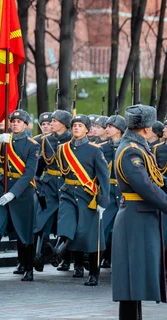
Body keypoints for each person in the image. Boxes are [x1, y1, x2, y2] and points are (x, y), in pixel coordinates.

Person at [112, 104, 167, 319]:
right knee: (130, 281)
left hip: (141, 217)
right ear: (146, 129)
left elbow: (158, 180)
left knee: (135, 280)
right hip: (135, 219)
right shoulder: (130, 152)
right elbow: (147, 188)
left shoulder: (137, 147)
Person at [52, 114, 110, 286]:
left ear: (87, 129)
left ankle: (94, 273)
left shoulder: (95, 150)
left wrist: (103, 201)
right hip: (68, 193)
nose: (76, 128)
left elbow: (103, 177)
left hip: (88, 196)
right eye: (74, 125)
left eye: (80, 125)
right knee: (65, 223)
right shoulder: (63, 149)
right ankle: (58, 252)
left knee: (91, 236)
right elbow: (61, 173)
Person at [0, 109, 40, 282]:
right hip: (2, 186)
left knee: (25, 231)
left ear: (25, 125)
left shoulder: (32, 145)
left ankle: (28, 268)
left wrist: (13, 193)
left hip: (22, 192)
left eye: (19, 121)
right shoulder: (4, 140)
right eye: (13, 121)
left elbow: (29, 173)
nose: (15, 124)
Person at [33, 110, 72, 271]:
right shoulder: (45, 140)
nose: (51, 124)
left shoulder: (71, 140)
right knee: (42, 219)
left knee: (68, 221)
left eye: (55, 121)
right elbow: (41, 163)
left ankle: (66, 258)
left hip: (66, 184)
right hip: (48, 185)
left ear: (63, 124)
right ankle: (38, 255)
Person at [99, 115, 126, 269]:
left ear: (119, 130)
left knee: (121, 232)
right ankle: (99, 259)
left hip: (123, 193)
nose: (106, 129)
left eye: (110, 126)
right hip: (107, 192)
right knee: (102, 228)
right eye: (106, 126)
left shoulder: (128, 146)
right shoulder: (102, 148)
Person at [152, 118, 167, 277]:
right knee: (163, 234)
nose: (164, 130)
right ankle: (161, 268)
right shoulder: (157, 149)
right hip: (164, 196)